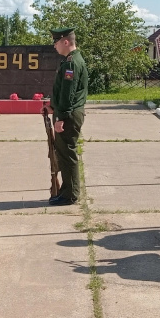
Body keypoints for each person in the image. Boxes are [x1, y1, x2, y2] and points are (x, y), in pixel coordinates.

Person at [45, 27, 88, 206]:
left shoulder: (71, 63)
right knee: (63, 154)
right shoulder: (70, 61)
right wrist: (52, 106)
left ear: (65, 41)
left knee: (66, 155)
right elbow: (64, 91)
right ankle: (67, 190)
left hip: (68, 115)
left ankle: (70, 194)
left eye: (56, 42)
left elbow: (68, 94)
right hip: (67, 112)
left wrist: (60, 117)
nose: (54, 46)